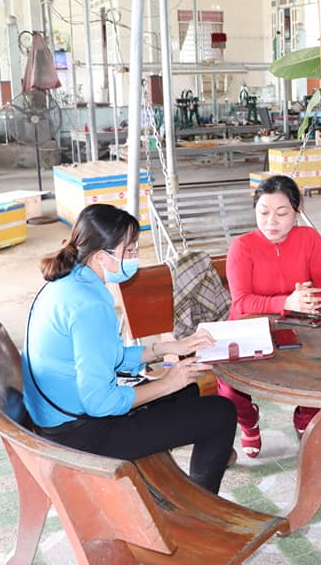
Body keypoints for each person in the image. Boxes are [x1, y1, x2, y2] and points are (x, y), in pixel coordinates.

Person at [23, 204, 237, 494]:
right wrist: (165, 383)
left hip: (58, 416)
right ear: (101, 256)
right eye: (130, 250)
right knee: (220, 413)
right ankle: (200, 504)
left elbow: (104, 356)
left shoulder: (70, 281)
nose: (136, 257)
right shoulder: (89, 306)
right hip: (80, 434)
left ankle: (205, 464)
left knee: (186, 391)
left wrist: (165, 348)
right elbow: (100, 403)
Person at [221, 175, 321, 458]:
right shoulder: (242, 247)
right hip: (248, 327)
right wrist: (286, 302)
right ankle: (248, 421)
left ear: (296, 213)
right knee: (229, 389)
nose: (271, 221)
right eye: (263, 213)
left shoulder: (309, 238)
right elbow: (242, 301)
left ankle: (305, 416)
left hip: (298, 323)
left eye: (281, 213)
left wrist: (309, 296)